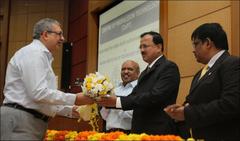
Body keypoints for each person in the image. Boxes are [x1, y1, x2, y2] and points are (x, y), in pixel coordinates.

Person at [0, 18, 94, 140]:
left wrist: (71, 110)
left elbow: (41, 100)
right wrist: (75, 98)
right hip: (22, 121)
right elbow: (38, 93)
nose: (62, 38)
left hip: (29, 120)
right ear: (45, 34)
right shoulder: (34, 53)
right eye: (59, 34)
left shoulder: (39, 54)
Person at [164, 23, 240, 140]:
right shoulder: (199, 74)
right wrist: (180, 110)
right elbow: (195, 102)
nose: (193, 50)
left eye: (196, 44)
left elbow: (231, 104)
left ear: (208, 43)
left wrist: (187, 113)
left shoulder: (232, 63)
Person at [97, 31, 180, 135]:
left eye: (145, 46)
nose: (142, 50)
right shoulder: (145, 72)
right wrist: (106, 101)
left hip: (158, 132)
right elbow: (133, 96)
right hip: (140, 132)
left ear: (159, 47)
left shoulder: (168, 67)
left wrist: (117, 101)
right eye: (140, 47)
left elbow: (156, 96)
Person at [100, 60, 140, 134]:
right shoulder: (114, 90)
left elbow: (137, 114)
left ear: (138, 73)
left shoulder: (141, 89)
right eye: (123, 69)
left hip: (129, 134)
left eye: (130, 69)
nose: (125, 71)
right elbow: (104, 116)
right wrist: (105, 105)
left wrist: (116, 104)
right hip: (109, 133)